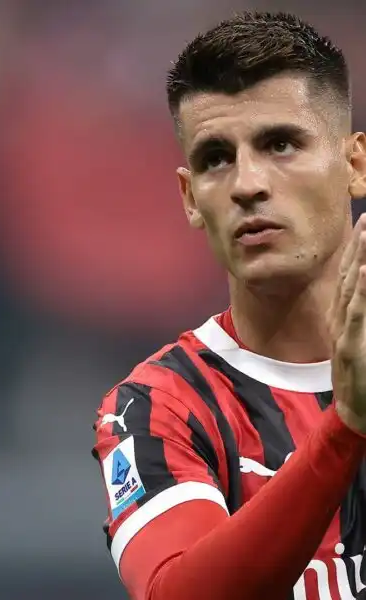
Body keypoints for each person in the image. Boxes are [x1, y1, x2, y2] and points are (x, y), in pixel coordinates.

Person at [92, 11, 366, 600]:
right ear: (190, 197)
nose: (247, 185)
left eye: (281, 145)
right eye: (216, 157)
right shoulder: (160, 406)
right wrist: (346, 429)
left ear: (355, 165)